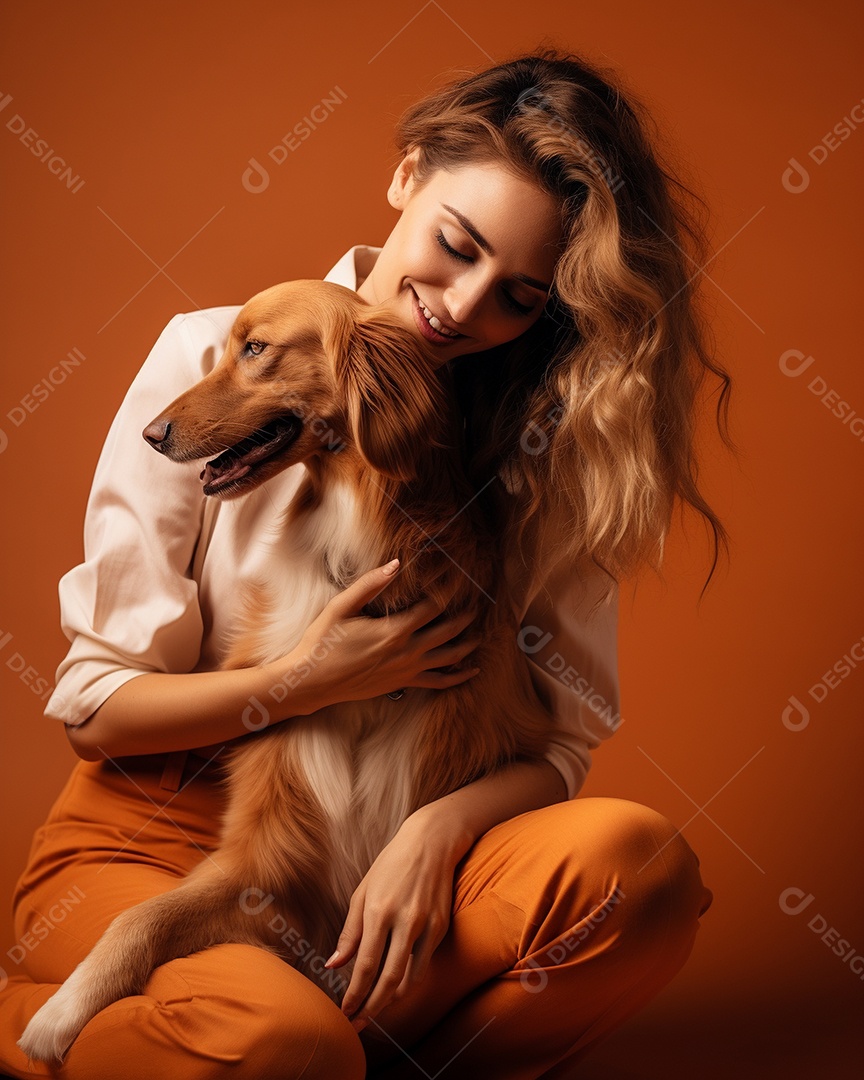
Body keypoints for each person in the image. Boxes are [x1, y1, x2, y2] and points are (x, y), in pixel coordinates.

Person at [0, 47, 724, 1079]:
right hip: (168, 844)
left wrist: (433, 836)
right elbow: (92, 708)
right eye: (455, 243)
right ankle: (175, 1030)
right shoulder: (213, 359)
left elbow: (559, 749)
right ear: (406, 175)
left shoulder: (552, 448)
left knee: (639, 876)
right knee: (278, 1041)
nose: (465, 308)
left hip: (396, 856)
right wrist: (310, 680)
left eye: (519, 294)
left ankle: (338, 1043)